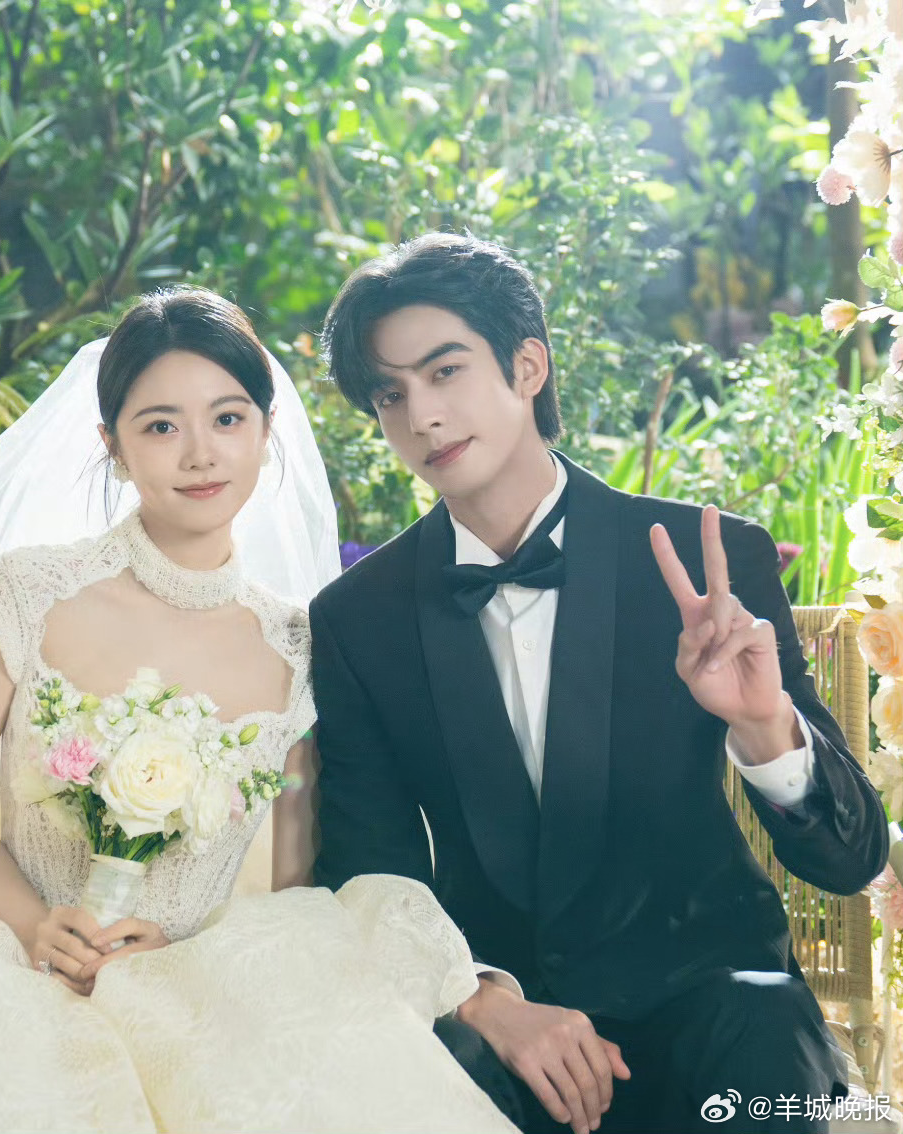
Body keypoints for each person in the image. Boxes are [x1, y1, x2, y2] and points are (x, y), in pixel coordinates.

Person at [0, 286, 518, 1134]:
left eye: (228, 419)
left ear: (266, 432)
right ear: (113, 446)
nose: (200, 454)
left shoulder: (300, 644)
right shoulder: (31, 591)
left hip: (193, 985)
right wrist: (35, 926)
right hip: (10, 957)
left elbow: (296, 879)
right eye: (161, 426)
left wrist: (191, 947)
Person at [311, 232, 889, 1134]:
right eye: (391, 394)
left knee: (764, 1036)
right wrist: (482, 999)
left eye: (445, 371)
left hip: (719, 1016)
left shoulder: (707, 562)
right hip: (509, 1033)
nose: (421, 415)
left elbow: (849, 862)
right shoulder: (359, 617)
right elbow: (369, 867)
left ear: (528, 365)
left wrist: (764, 726)